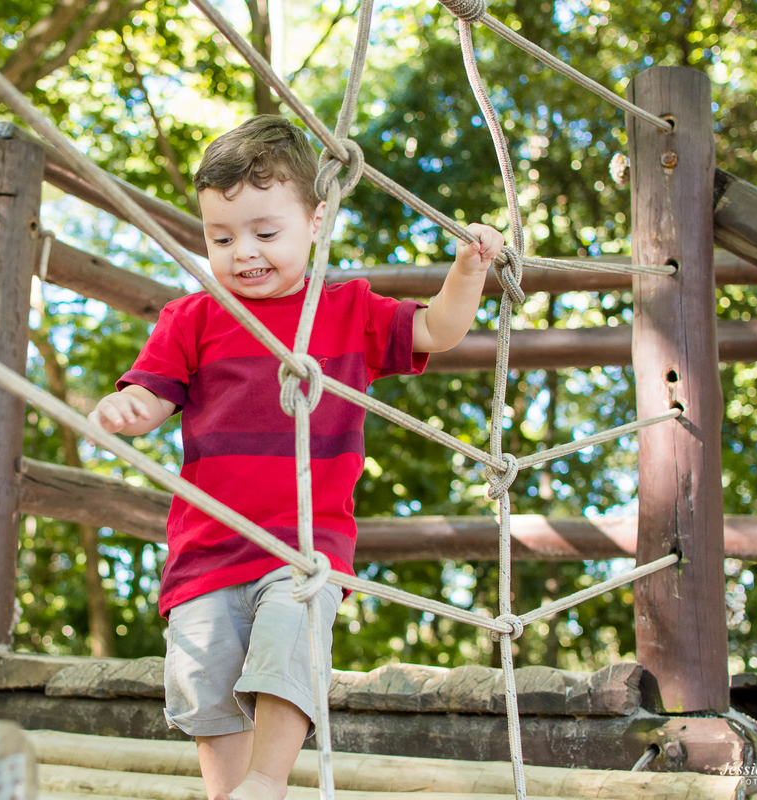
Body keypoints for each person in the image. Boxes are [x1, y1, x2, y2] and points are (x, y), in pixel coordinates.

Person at [87, 115, 504, 800]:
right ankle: (236, 793)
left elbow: (436, 327)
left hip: (304, 543)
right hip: (206, 548)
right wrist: (126, 407)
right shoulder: (194, 317)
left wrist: (467, 271)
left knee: (289, 638)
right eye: (221, 237)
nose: (243, 252)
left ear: (316, 222)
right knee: (204, 682)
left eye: (265, 233)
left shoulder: (347, 311)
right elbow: (151, 392)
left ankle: (268, 780)